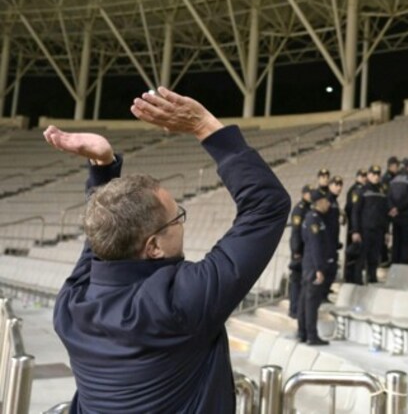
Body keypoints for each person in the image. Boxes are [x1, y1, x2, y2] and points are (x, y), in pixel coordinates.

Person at [46, 87, 291, 412]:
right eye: (178, 217)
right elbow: (267, 205)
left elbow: (102, 234)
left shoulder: (72, 304)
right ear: (154, 247)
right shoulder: (180, 302)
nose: (182, 223)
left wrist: (103, 167)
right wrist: (203, 125)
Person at [297, 189, 331, 345]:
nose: (328, 204)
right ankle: (311, 335)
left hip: (309, 264)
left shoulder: (311, 218)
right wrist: (319, 269)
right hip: (313, 265)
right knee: (311, 302)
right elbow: (316, 246)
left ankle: (302, 333)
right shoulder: (314, 219)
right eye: (326, 201)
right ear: (319, 202)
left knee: (305, 299)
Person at [351, 165, 390, 283]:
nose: (376, 177)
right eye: (373, 174)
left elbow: (385, 213)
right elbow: (355, 212)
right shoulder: (361, 191)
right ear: (368, 175)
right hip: (365, 230)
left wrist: (387, 231)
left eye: (378, 174)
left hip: (378, 230)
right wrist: (355, 230)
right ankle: (357, 280)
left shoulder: (382, 191)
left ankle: (372, 278)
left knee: (374, 256)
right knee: (361, 257)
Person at [289, 184, 313, 318]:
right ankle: (294, 310)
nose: (311, 195)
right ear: (304, 194)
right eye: (309, 193)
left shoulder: (310, 208)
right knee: (296, 281)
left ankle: (298, 308)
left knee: (302, 281)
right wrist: (296, 250)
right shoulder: (299, 209)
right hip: (299, 250)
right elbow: (296, 232)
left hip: (306, 250)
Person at [388, 157, 408, 264]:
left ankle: (394, 264)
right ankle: (403, 265)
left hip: (395, 216)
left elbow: (389, 196)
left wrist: (393, 208)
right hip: (407, 215)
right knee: (406, 243)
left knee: (396, 241)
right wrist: (399, 208)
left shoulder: (394, 178)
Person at [321, 175, 344, 295]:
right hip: (327, 241)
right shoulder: (327, 200)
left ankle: (325, 292)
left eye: (340, 185)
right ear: (330, 186)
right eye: (336, 185)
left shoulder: (334, 201)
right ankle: (323, 293)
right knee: (327, 268)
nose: (339, 188)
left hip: (333, 240)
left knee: (332, 269)